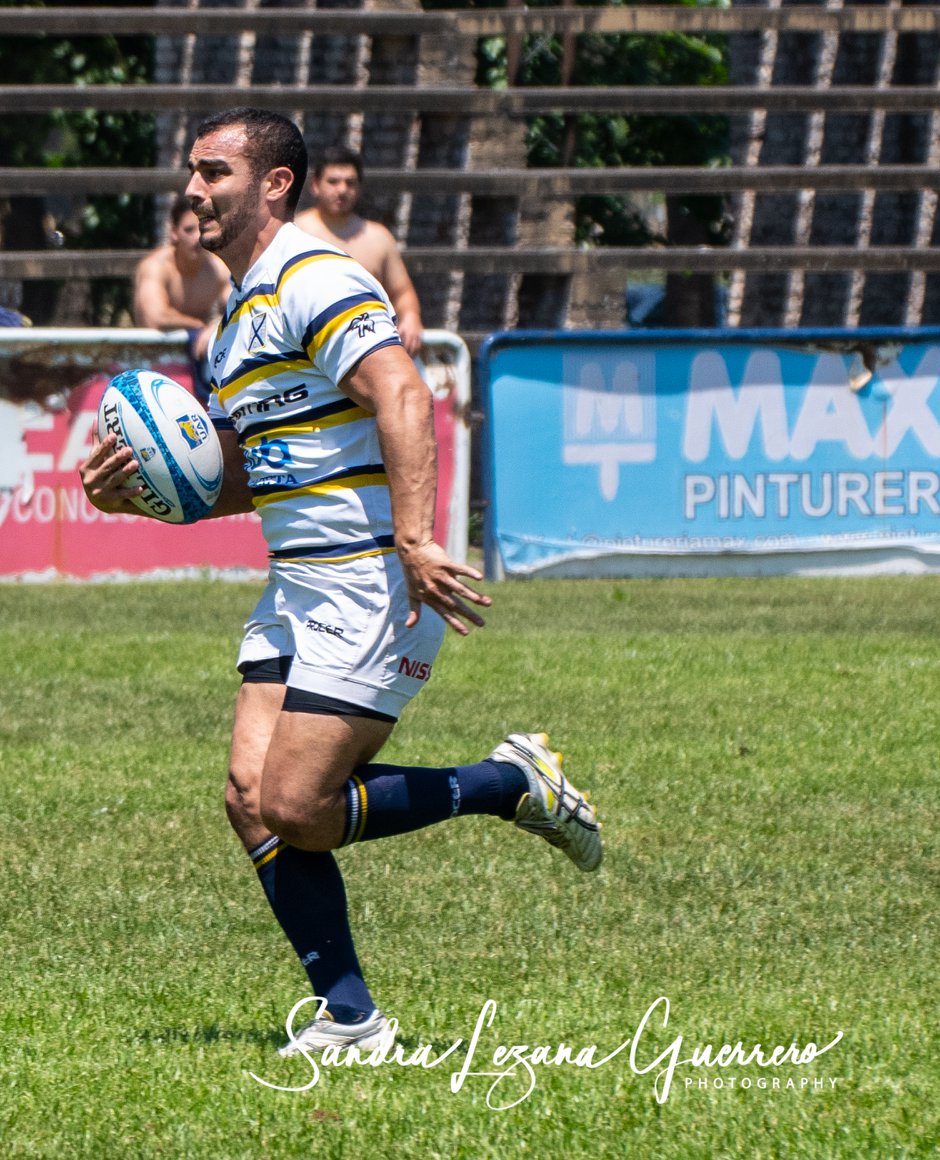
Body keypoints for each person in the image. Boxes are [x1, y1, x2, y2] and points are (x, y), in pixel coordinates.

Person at [79, 108, 601, 1058]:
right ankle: (353, 1020)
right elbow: (244, 475)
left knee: (300, 808)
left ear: (274, 183)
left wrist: (414, 538)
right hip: (297, 584)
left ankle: (507, 781)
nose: (194, 189)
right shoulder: (235, 324)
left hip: (369, 578)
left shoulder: (314, 277)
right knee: (250, 795)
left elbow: (402, 390)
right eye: (192, 172)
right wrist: (142, 500)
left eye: (214, 172)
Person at [294, 145, 425, 357]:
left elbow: (402, 292)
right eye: (333, 181)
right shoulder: (293, 232)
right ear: (315, 186)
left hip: (367, 347)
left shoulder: (378, 237)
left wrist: (411, 317)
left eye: (350, 183)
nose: (342, 190)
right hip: (304, 351)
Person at [132, 194, 231, 401]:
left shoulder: (217, 269)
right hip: (148, 366)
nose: (197, 237)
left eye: (202, 227)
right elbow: (156, 317)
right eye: (188, 230)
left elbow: (243, 307)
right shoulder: (156, 267)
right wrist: (200, 326)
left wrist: (218, 325)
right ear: (174, 232)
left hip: (198, 371)